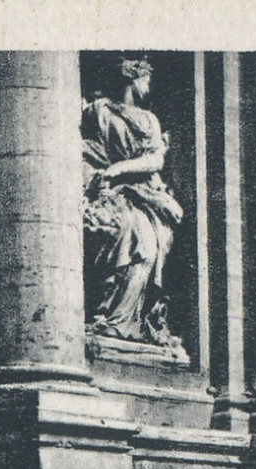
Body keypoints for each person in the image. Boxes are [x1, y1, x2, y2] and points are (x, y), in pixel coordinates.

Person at [82, 58, 185, 345]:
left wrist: (118, 170)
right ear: (132, 79)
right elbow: (86, 146)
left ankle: (125, 321)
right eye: (146, 80)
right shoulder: (98, 110)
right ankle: (108, 315)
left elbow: (156, 159)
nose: (148, 86)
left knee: (147, 249)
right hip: (108, 191)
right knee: (124, 230)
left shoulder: (149, 119)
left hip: (144, 192)